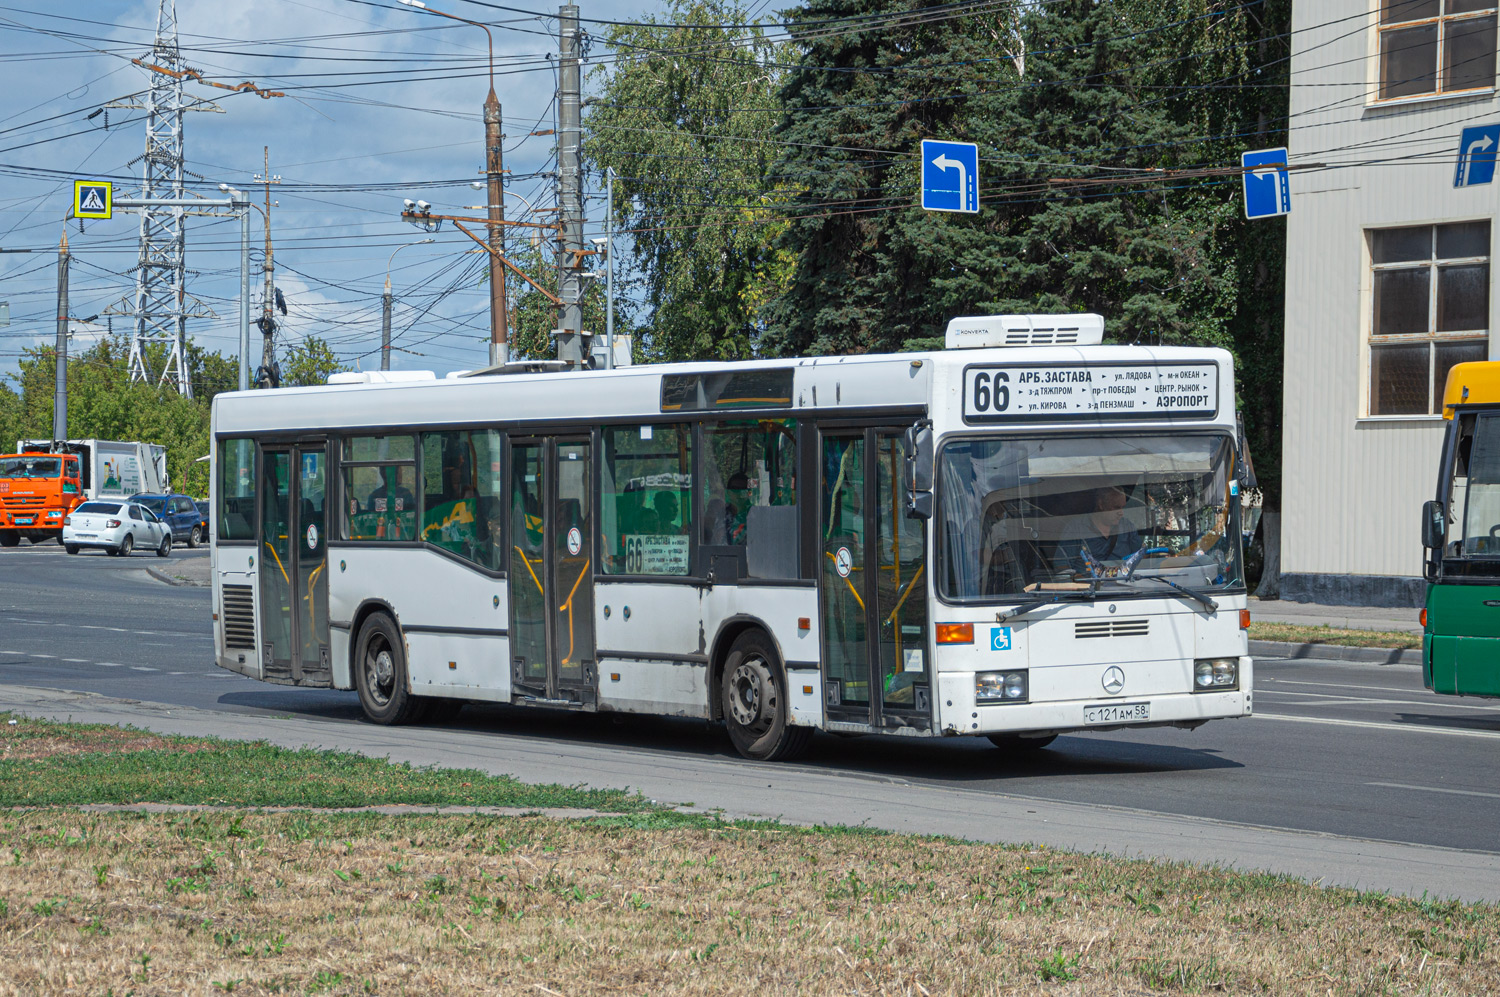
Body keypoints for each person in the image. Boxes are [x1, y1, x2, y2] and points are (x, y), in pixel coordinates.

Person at [1058, 484, 1141, 571]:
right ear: (1101, 504)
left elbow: (1141, 557)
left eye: (1122, 507)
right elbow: (1061, 566)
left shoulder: (1126, 527)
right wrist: (1076, 581)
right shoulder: (1076, 528)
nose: (1121, 513)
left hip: (1123, 582)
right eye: (1116, 507)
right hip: (1087, 582)